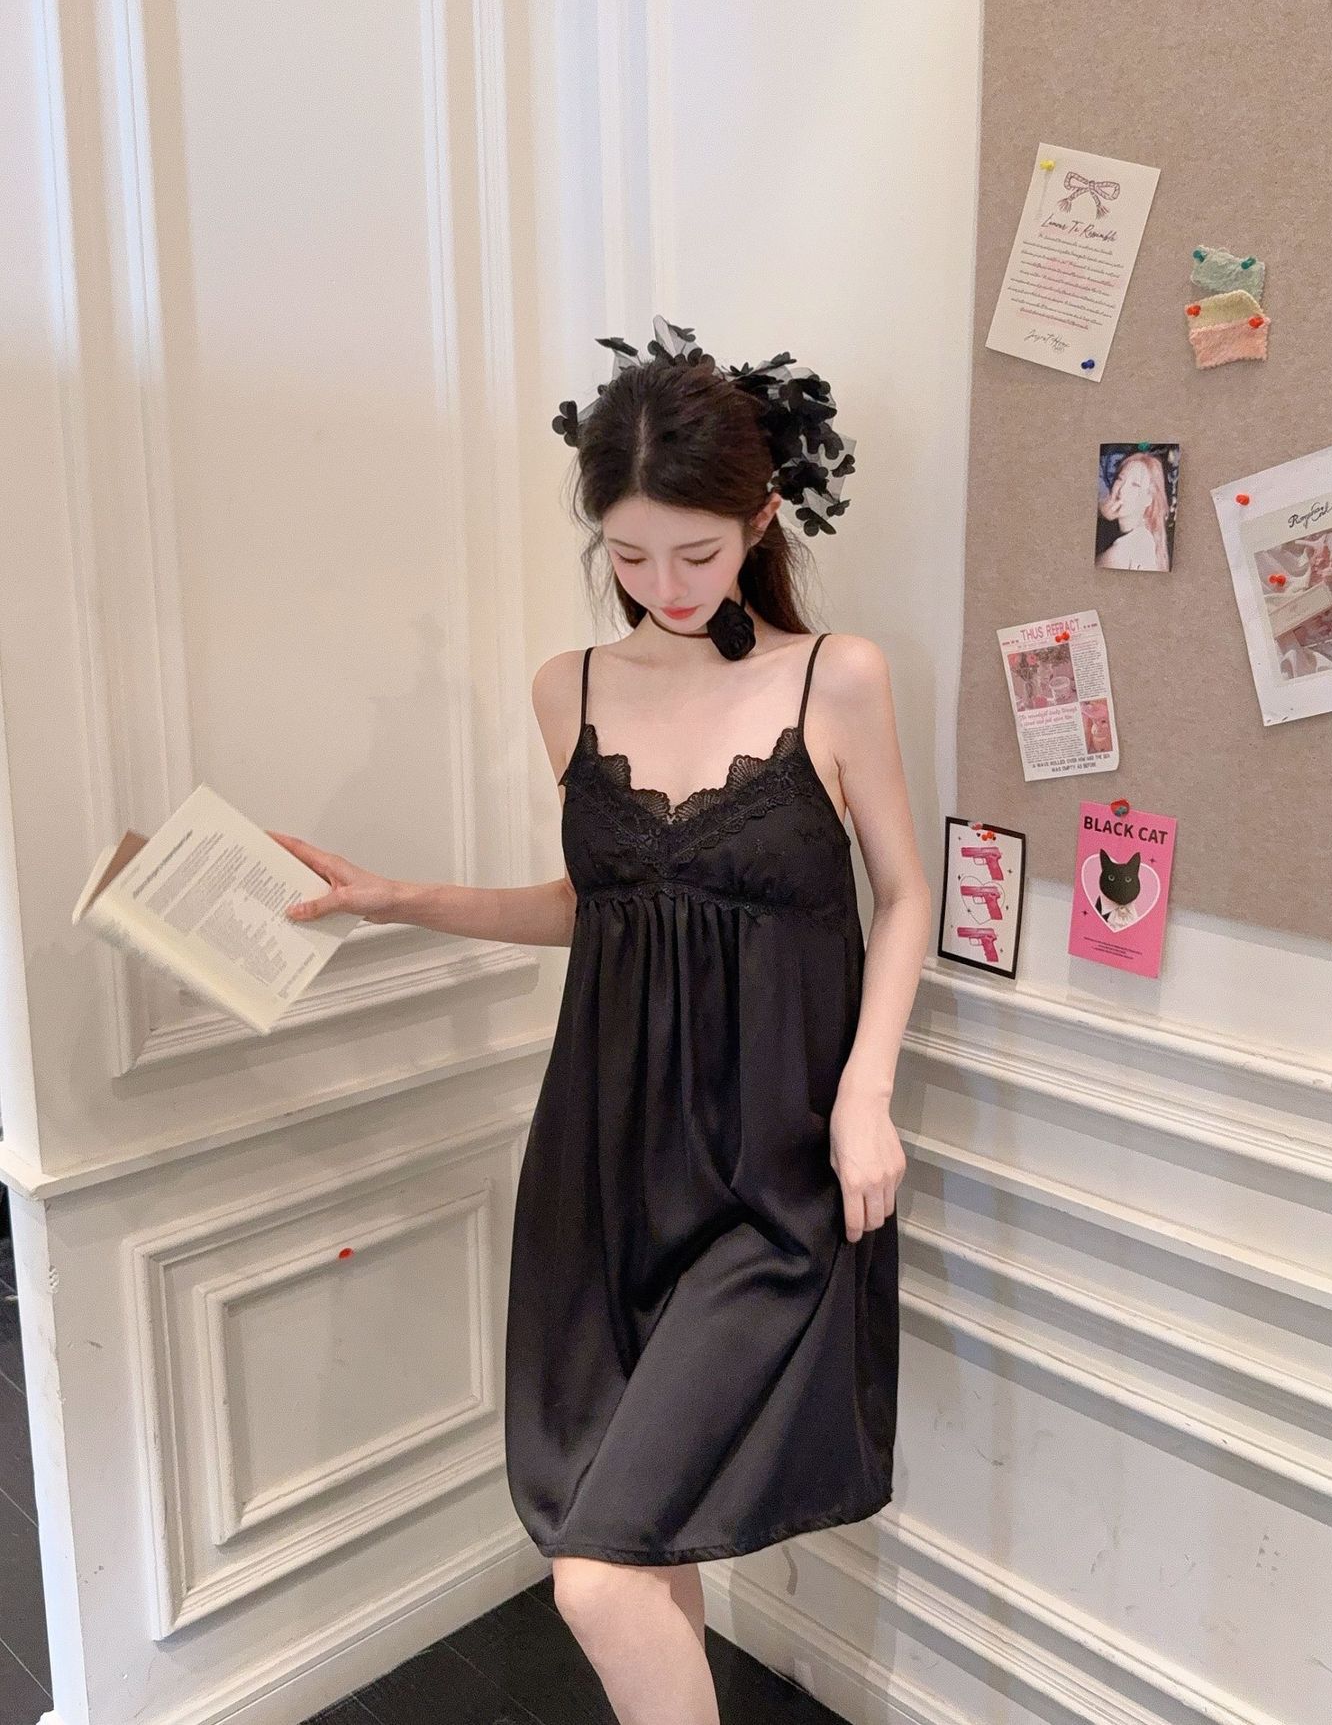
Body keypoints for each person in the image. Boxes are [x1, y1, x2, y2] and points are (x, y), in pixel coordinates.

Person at [267, 315, 930, 1725]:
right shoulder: (567, 688)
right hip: (603, 1166)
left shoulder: (836, 676)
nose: (665, 587)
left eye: (696, 552)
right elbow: (605, 906)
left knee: (594, 1574)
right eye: (630, 555)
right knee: (637, 1544)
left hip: (772, 1174)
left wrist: (867, 1090)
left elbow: (904, 892)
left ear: (761, 517)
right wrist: (397, 898)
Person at [1096, 450, 1171, 571]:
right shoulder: (1143, 538)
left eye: (1135, 485)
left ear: (1148, 498)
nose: (1122, 490)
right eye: (1120, 479)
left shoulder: (1125, 550)